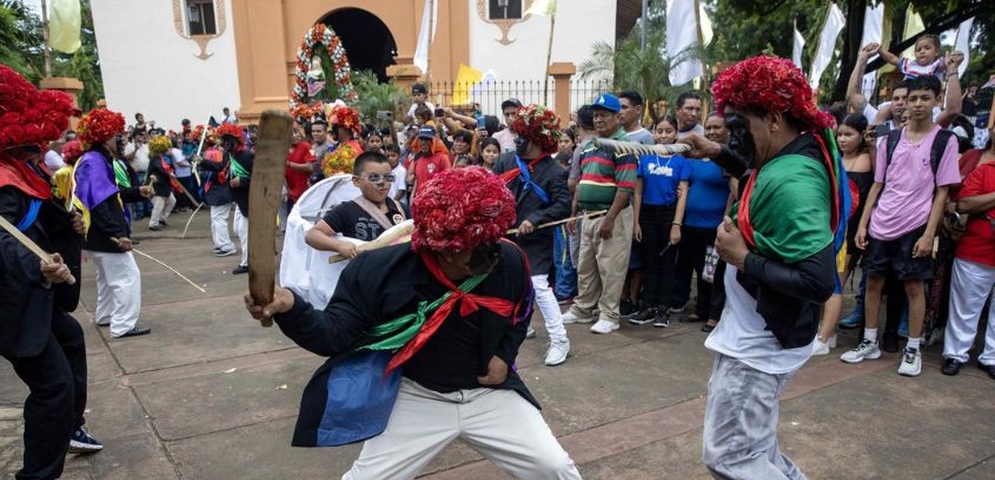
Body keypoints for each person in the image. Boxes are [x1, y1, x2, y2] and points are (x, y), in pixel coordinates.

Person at [244, 167, 581, 480]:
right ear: (443, 247)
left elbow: (520, 311)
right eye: (474, 249)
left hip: (487, 396)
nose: (490, 254)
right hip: (417, 394)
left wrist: (504, 357)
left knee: (556, 469)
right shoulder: (378, 271)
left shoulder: (506, 258)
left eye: (490, 241)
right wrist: (290, 307)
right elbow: (333, 335)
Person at [679, 56, 845, 479]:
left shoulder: (794, 182)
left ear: (772, 118)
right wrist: (718, 153)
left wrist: (743, 259)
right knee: (754, 448)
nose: (735, 137)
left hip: (761, 345)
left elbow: (818, 281)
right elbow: (756, 169)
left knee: (732, 457)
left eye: (740, 126)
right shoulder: (788, 151)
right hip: (755, 334)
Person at [0, 66, 103, 480]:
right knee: (53, 387)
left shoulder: (23, 171)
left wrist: (70, 226)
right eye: (34, 143)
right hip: (10, 299)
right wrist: (39, 265)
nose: (43, 147)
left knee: (71, 336)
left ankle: (69, 426)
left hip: (30, 295)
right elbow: (6, 240)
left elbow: (38, 218)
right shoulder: (5, 180)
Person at [841, 75, 960, 377]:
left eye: (925, 98)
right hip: (881, 223)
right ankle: (869, 341)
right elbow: (877, 185)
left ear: (936, 100)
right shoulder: (890, 139)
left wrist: (929, 233)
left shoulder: (945, 140)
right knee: (873, 283)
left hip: (916, 225)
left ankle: (913, 348)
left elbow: (942, 191)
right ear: (905, 102)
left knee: (913, 286)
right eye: (913, 98)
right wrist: (863, 224)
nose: (918, 104)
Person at [493, 104, 573, 366]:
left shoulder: (555, 172)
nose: (517, 142)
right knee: (511, 283)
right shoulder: (505, 162)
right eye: (517, 136)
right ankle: (522, 324)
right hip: (506, 237)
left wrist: (535, 219)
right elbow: (491, 191)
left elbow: (562, 206)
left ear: (538, 140)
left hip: (536, 240)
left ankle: (560, 339)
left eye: (523, 138)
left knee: (538, 285)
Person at [75, 108, 153, 339]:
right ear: (103, 136)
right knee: (127, 277)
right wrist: (117, 234)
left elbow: (111, 194)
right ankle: (123, 325)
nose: (122, 140)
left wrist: (137, 191)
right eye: (117, 135)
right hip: (103, 235)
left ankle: (107, 315)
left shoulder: (96, 159)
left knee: (108, 278)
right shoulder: (95, 161)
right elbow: (98, 203)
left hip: (97, 236)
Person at [562, 93, 637, 334]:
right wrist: (574, 212)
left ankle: (609, 314)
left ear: (617, 117)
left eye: (604, 115)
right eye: (595, 116)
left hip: (611, 216)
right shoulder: (589, 146)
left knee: (610, 267)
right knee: (586, 265)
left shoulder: (623, 146)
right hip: (588, 214)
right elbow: (583, 180)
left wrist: (610, 218)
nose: (598, 120)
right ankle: (583, 308)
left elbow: (626, 187)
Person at [671, 113, 732, 333]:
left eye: (717, 127)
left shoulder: (727, 158)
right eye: (708, 128)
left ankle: (714, 315)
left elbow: (733, 193)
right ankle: (701, 308)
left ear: (726, 130)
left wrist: (725, 222)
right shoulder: (695, 156)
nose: (712, 132)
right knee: (700, 270)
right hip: (691, 223)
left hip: (713, 226)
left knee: (714, 272)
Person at [941, 129, 995, 377]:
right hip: (977, 248)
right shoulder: (985, 170)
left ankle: (991, 357)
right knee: (965, 306)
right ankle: (955, 353)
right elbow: (964, 204)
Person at [629, 115, 691, 327]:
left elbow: (683, 194)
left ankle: (663, 310)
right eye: (659, 131)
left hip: (669, 215)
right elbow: (637, 193)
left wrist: (676, 225)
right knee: (649, 262)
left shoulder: (682, 161)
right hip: (647, 214)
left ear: (676, 134)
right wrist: (636, 222)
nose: (663, 135)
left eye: (668, 131)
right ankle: (647, 307)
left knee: (667, 263)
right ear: (653, 133)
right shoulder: (645, 158)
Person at [305, 151, 409, 257]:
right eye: (374, 177)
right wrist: (339, 245)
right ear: (356, 181)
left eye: (388, 177)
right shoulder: (347, 210)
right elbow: (312, 235)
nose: (382, 182)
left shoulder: (402, 209)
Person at [218, 123, 254, 275]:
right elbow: (221, 168)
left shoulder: (247, 156)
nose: (225, 144)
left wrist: (242, 182)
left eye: (229, 140)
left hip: (249, 199)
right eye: (224, 140)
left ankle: (247, 263)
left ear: (236, 141)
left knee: (245, 232)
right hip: (239, 200)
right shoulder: (230, 156)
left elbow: (260, 177)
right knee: (237, 229)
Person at [197, 127, 237, 257]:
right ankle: (220, 244)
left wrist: (203, 161)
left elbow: (220, 168)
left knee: (219, 219)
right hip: (217, 191)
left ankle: (227, 245)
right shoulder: (222, 152)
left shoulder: (228, 154)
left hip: (222, 191)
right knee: (215, 219)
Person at [406, 127, 451, 199]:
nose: (423, 143)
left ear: (434, 141)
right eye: (421, 139)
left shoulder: (442, 158)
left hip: (435, 202)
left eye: (427, 139)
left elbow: (448, 181)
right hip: (419, 201)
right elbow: (410, 178)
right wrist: (410, 179)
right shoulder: (417, 157)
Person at [875, 35, 944, 81]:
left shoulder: (937, 66)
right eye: (918, 50)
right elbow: (892, 59)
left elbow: (949, 61)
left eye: (927, 48)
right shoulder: (910, 65)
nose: (922, 51)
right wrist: (880, 50)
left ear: (936, 52)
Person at [146, 135, 178, 231]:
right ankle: (153, 224)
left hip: (163, 185)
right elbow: (161, 168)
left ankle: (162, 219)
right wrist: (170, 173)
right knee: (158, 206)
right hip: (157, 186)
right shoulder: (155, 158)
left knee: (172, 201)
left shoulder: (160, 157)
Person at [286, 125, 316, 215]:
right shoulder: (281, 150)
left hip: (305, 193)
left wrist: (289, 164)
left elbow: (310, 167)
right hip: (290, 195)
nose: (295, 135)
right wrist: (286, 190)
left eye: (296, 132)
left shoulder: (306, 146)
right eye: (291, 133)